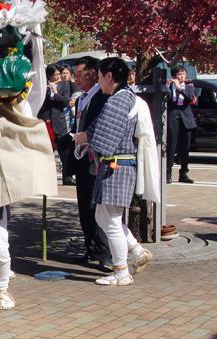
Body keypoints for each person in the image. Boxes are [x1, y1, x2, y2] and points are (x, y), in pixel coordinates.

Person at [72, 57, 152, 286]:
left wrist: (88, 138)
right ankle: (135, 251)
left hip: (116, 166)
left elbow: (105, 141)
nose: (98, 82)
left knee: (112, 221)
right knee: (104, 217)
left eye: (99, 77)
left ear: (109, 76)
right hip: (115, 166)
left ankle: (121, 271)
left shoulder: (119, 100)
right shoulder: (123, 98)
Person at [71, 56, 112, 268]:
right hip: (81, 158)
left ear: (94, 73)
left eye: (80, 74)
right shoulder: (81, 98)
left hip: (97, 160)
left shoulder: (103, 96)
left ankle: (105, 254)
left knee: (98, 209)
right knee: (84, 207)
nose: (76, 78)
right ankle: (91, 248)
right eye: (75, 74)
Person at [39, 64, 75, 185]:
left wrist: (55, 93)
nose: (59, 76)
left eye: (59, 74)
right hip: (45, 120)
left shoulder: (64, 85)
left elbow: (65, 102)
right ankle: (43, 177)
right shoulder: (42, 85)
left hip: (59, 121)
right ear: (49, 75)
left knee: (64, 150)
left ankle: (67, 176)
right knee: (45, 150)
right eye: (56, 74)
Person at [167, 65, 197, 184]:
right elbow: (167, 99)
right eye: (180, 74)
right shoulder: (170, 86)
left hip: (186, 118)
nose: (182, 76)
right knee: (171, 146)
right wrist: (170, 86)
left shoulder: (188, 87)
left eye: (183, 74)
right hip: (173, 117)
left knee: (185, 147)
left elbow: (190, 99)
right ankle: (167, 173)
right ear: (174, 76)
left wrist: (180, 88)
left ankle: (183, 173)